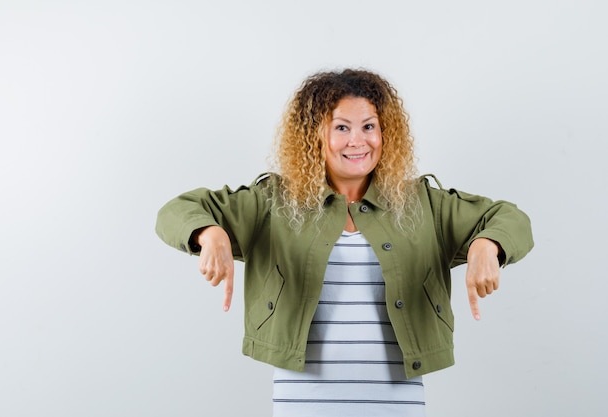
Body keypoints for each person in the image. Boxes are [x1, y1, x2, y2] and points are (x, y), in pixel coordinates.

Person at [155, 68, 534, 416]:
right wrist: (211, 232)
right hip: (302, 404)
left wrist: (486, 244)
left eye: (369, 126)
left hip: (398, 405)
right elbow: (176, 211)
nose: (358, 140)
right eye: (341, 128)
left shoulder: (422, 204)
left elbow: (510, 219)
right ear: (313, 135)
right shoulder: (273, 202)